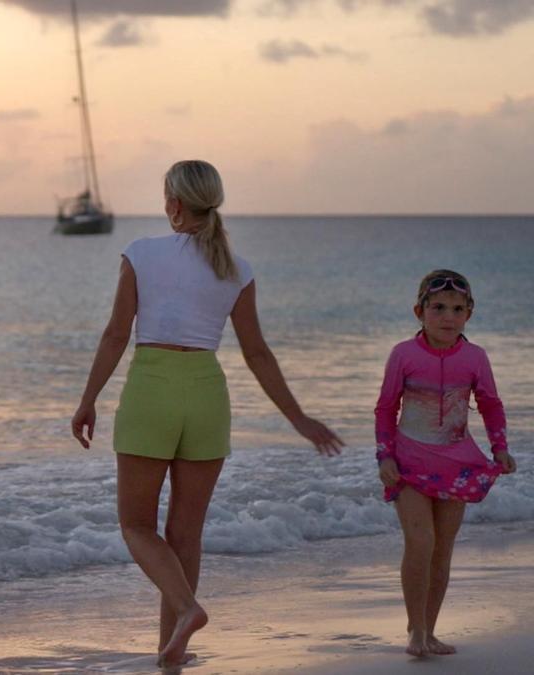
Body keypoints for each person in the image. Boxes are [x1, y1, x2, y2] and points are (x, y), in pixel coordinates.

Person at [70, 160, 343, 666]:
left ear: (174, 203)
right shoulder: (235, 268)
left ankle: (188, 609)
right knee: (185, 534)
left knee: (136, 527)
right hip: (207, 398)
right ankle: (170, 648)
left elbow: (115, 334)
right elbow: (257, 353)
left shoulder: (141, 253)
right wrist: (298, 419)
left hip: (152, 391)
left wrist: (88, 400)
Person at [374, 269, 516, 657]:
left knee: (442, 550)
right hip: (409, 462)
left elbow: (490, 403)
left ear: (469, 314)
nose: (447, 316)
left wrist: (499, 448)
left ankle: (430, 630)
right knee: (421, 541)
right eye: (438, 307)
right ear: (419, 311)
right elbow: (386, 407)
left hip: (457, 463)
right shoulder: (404, 355)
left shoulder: (475, 358)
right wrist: (384, 455)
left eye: (457, 308)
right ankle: (415, 630)